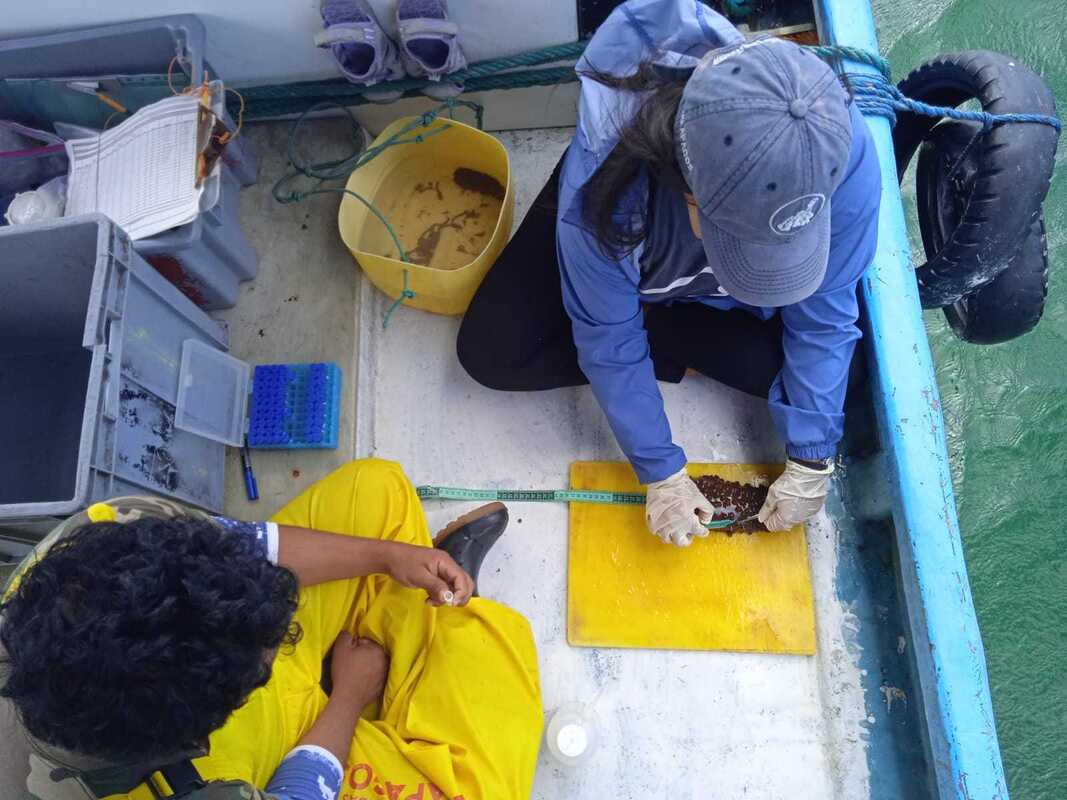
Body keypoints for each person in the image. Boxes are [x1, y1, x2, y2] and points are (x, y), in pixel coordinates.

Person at [457, 0, 881, 547]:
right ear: (689, 196)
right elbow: (607, 337)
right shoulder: (602, 201)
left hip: (696, 291)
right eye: (744, 246)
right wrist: (661, 471)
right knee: (490, 353)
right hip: (630, 226)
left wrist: (811, 457)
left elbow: (826, 313)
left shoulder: (837, 152)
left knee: (849, 380)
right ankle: (655, 324)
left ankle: (661, 331)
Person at [0, 459, 542, 800]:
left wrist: (387, 554)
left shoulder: (116, 530)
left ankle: (414, 621)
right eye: (263, 660)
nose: (287, 632)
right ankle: (421, 636)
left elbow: (249, 546)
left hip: (212, 679)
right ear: (194, 738)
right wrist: (348, 700)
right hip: (275, 749)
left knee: (376, 488)